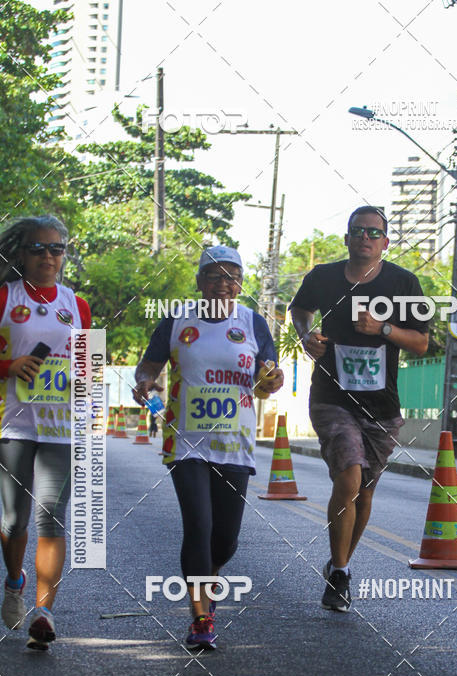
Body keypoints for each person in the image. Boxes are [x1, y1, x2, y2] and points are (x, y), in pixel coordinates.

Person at [134, 246, 283, 650]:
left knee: (225, 541)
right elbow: (150, 364)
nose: (223, 284)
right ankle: (200, 618)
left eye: (232, 277)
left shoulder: (252, 323)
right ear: (199, 282)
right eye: (214, 276)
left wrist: (272, 379)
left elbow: (269, 372)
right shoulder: (177, 320)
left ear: (240, 283)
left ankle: (207, 584)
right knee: (198, 525)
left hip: (235, 442)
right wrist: (145, 381)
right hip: (186, 440)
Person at [290, 206, 429, 612]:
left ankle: (338, 563)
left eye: (374, 232)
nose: (365, 237)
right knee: (349, 478)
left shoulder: (403, 282)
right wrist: (305, 335)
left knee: (365, 491)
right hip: (332, 396)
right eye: (358, 231)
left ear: (385, 242)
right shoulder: (322, 277)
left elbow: (421, 342)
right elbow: (299, 310)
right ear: (347, 238)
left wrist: (383, 328)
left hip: (381, 403)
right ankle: (342, 575)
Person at [0, 215, 91, 648]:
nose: (49, 256)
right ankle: (14, 582)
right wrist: (9, 367)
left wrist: (82, 380)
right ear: (20, 253)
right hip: (13, 424)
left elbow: (88, 367)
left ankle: (44, 612)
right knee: (13, 519)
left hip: (60, 428)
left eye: (57, 249)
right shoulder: (5, 297)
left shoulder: (77, 304)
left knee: (51, 515)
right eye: (39, 248)